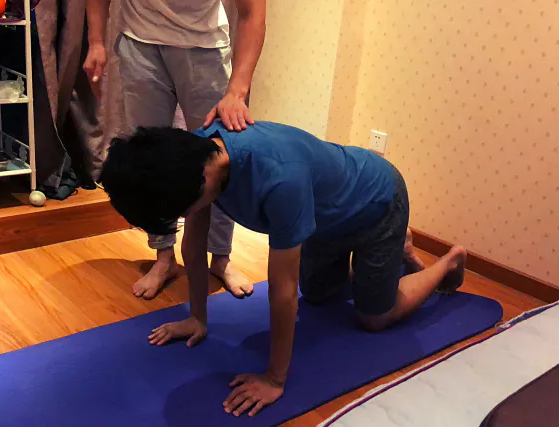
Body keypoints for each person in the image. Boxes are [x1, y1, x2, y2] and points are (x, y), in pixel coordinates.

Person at [99, 121, 468, 417]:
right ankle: (393, 252)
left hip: (376, 202)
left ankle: (445, 260)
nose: (186, 217)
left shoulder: (279, 179)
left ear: (202, 183)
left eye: (182, 212)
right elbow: (193, 248)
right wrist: (197, 318)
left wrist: (274, 379)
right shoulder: (193, 157)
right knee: (318, 295)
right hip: (325, 218)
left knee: (373, 317)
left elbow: (283, 290)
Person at [84, 0, 266, 299]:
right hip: (140, 43)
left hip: (205, 47)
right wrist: (95, 42)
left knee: (220, 154)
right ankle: (164, 257)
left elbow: (252, 13)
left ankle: (220, 256)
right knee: (149, 159)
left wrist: (237, 91)